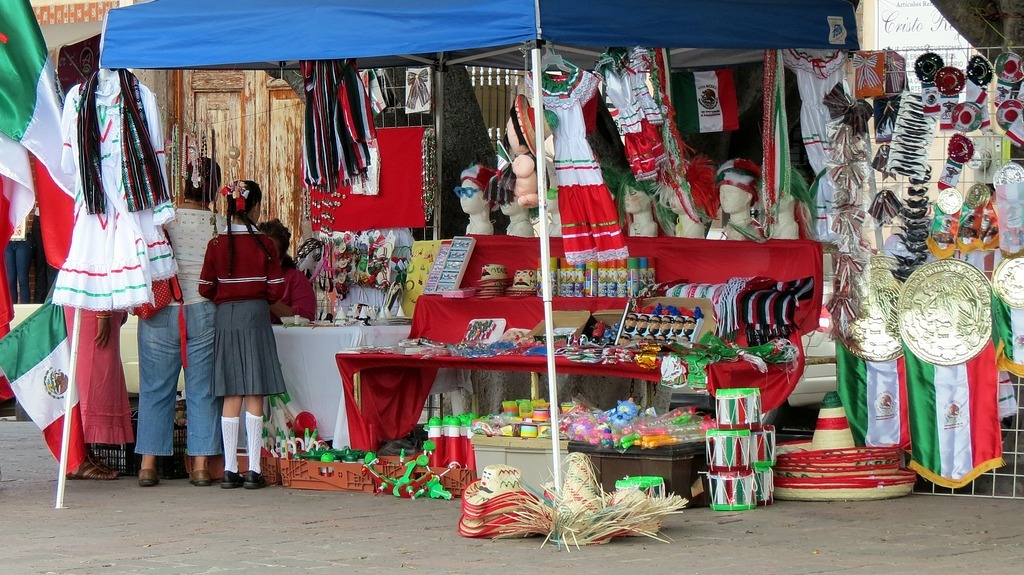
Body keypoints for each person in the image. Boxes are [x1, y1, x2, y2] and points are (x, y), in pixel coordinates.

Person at [136, 158, 223, 488]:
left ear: (184, 180)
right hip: (203, 310)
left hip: (162, 309)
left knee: (156, 388)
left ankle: (148, 465)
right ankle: (200, 465)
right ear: (213, 188)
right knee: (202, 390)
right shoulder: (218, 223)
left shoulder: (162, 220)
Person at [199, 180, 287, 490]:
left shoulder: (215, 244)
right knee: (255, 390)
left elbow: (205, 288)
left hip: (226, 318)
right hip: (255, 315)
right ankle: (253, 469)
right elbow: (277, 288)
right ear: (256, 207)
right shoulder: (265, 244)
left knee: (231, 391)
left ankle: (229, 470)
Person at [257, 218, 316, 324]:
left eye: (270, 252)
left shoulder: (295, 279)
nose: (263, 255)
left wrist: (266, 298)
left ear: (281, 258)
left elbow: (305, 318)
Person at [5, 217, 32, 304]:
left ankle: (25, 311)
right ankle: (12, 310)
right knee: (10, 279)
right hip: (8, 242)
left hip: (23, 242)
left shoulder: (23, 204)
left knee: (22, 278)